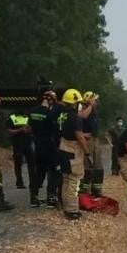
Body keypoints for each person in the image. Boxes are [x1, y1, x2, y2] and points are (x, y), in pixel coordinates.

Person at [27, 90, 61, 208]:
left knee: (39, 172)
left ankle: (34, 197)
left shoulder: (32, 112)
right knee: (54, 172)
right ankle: (51, 199)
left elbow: (29, 128)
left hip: (37, 146)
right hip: (50, 147)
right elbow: (55, 129)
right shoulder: (50, 113)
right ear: (51, 100)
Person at [56, 88, 87, 221]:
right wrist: (87, 152)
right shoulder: (75, 118)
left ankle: (66, 206)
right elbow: (79, 137)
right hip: (73, 150)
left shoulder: (62, 115)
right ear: (75, 103)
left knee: (66, 179)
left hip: (62, 148)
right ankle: (72, 210)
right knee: (75, 179)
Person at [78, 91, 103, 197]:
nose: (96, 102)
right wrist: (83, 134)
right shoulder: (83, 110)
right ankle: (84, 191)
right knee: (87, 166)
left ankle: (96, 190)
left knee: (98, 167)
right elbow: (82, 117)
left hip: (95, 140)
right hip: (88, 142)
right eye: (94, 100)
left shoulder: (94, 113)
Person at [6, 110, 35, 189]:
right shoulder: (11, 118)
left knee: (31, 163)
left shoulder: (27, 117)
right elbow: (9, 131)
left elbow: (32, 128)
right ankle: (19, 182)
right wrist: (20, 130)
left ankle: (33, 182)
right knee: (18, 163)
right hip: (17, 143)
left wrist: (28, 130)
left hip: (27, 143)